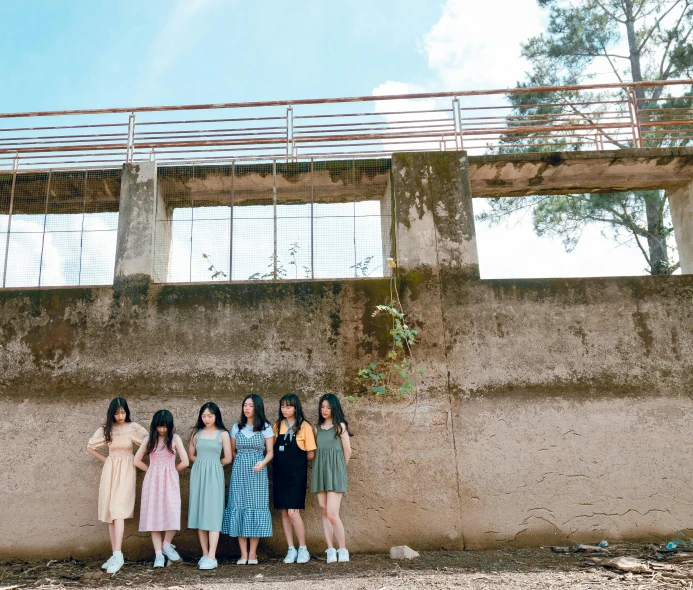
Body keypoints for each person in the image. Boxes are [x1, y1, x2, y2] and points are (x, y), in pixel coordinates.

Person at [87, 397, 148, 574]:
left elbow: (148, 441)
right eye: (117, 413)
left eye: (123, 412)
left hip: (127, 469)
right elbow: (90, 447)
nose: (120, 416)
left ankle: (118, 554)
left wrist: (138, 459)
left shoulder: (133, 428)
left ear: (127, 412)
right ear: (111, 413)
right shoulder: (106, 429)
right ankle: (115, 554)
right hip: (111, 469)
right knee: (110, 511)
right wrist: (106, 459)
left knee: (118, 509)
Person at [222, 394, 274, 565]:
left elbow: (270, 453)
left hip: (258, 472)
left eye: (250, 405)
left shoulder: (265, 427)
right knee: (239, 506)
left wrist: (262, 462)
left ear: (257, 407)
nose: (247, 408)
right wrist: (242, 462)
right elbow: (232, 451)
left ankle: (253, 554)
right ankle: (243, 554)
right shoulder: (237, 427)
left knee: (255, 507)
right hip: (239, 472)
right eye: (245, 405)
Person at [133, 410, 189, 567]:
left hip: (170, 481)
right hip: (153, 482)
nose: (162, 430)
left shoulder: (175, 439)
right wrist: (152, 470)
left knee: (172, 512)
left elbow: (185, 462)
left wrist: (171, 471)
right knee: (154, 517)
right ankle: (158, 555)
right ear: (154, 426)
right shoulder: (149, 440)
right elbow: (136, 460)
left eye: (165, 426)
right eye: (159, 426)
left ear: (170, 426)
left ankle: (166, 544)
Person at [272, 394, 317, 564]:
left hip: (296, 475)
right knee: (284, 511)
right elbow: (273, 448)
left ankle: (303, 548)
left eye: (288, 407)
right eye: (282, 406)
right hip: (280, 474)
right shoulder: (277, 426)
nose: (285, 410)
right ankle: (291, 549)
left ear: (296, 408)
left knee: (293, 512)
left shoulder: (304, 426)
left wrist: (295, 461)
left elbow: (311, 453)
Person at [188, 402, 233, 570]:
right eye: (204, 416)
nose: (206, 419)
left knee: (213, 512)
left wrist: (214, 464)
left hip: (215, 474)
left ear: (216, 416)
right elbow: (191, 455)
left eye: (210, 416)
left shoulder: (223, 434)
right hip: (198, 474)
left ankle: (213, 556)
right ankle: (205, 554)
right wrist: (201, 463)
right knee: (200, 511)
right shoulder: (196, 434)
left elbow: (228, 458)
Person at [311, 393, 352, 564]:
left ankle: (342, 549)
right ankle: (330, 549)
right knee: (323, 509)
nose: (325, 410)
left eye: (328, 407)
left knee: (332, 513)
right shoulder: (317, 428)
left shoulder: (339, 426)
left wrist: (340, 469)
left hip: (335, 472)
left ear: (334, 408)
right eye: (322, 407)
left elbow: (348, 451)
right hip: (320, 471)